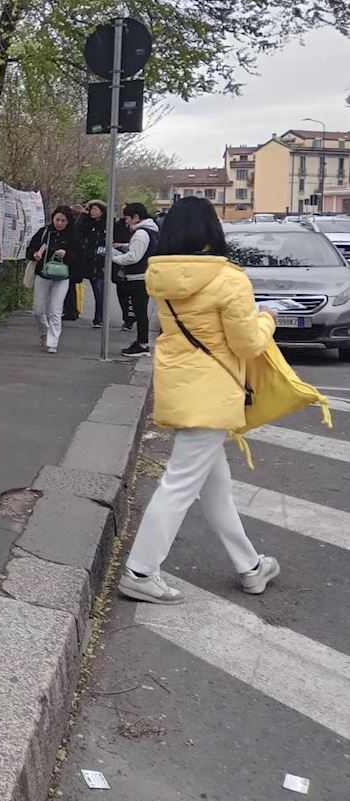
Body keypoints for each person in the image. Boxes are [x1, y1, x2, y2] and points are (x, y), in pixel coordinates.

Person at [117, 196, 279, 604]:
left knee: (215, 487)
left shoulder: (160, 276)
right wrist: (267, 320)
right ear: (212, 229)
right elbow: (247, 344)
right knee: (179, 485)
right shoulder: (229, 279)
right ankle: (140, 571)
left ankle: (250, 566)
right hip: (212, 391)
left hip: (181, 385)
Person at [26, 206, 75, 354]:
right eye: (57, 219)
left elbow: (79, 255)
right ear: (53, 219)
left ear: (68, 221)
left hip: (63, 277)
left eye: (63, 221)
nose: (59, 223)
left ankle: (53, 342)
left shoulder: (73, 235)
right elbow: (30, 250)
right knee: (38, 310)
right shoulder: (44, 232)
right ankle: (44, 332)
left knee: (55, 310)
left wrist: (66, 254)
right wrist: (35, 254)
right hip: (43, 275)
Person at [112, 202, 159, 357]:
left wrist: (113, 257)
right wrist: (124, 246)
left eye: (127, 218)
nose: (126, 222)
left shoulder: (140, 234)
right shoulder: (150, 230)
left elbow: (134, 257)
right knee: (140, 311)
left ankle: (142, 344)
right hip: (144, 275)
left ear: (136, 217)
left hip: (138, 277)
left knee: (139, 311)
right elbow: (138, 248)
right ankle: (141, 342)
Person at [79, 200, 109, 327]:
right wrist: (83, 214)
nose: (92, 212)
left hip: (100, 262)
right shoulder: (87, 223)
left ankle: (99, 318)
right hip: (88, 261)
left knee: (99, 291)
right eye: (91, 209)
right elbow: (77, 229)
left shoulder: (107, 224)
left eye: (95, 209)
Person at [62, 204, 87, 321]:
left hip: (73, 261)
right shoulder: (84, 223)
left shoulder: (75, 227)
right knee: (71, 287)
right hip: (78, 260)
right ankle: (73, 310)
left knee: (69, 287)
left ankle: (70, 311)